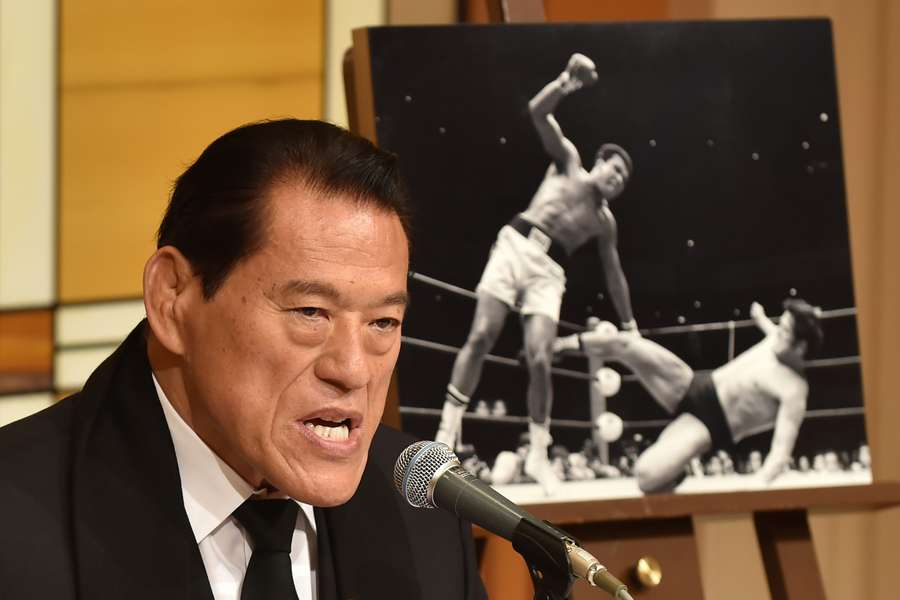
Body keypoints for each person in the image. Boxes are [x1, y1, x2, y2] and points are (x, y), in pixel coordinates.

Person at [0, 120, 486, 599]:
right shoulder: (17, 526)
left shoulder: (427, 519)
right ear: (172, 298)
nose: (354, 369)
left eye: (383, 322)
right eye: (310, 312)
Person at [435, 53, 637, 495]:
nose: (617, 179)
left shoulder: (605, 223)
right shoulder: (568, 162)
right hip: (516, 244)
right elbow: (537, 112)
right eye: (615, 169)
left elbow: (614, 273)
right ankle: (446, 434)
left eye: (624, 179)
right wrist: (566, 82)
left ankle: (541, 454)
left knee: (542, 358)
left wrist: (629, 325)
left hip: (549, 271)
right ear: (600, 163)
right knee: (483, 334)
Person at [555, 299, 822, 493]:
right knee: (627, 344)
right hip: (695, 384)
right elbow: (770, 328)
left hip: (710, 425)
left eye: (785, 332)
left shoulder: (794, 390)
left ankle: (676, 471)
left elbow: (781, 452)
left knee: (645, 477)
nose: (777, 333)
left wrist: (754, 488)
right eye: (780, 325)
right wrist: (760, 316)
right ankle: (560, 345)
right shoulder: (777, 338)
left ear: (800, 348)